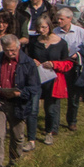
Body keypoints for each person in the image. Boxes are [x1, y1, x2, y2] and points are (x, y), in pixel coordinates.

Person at [0, 34, 39, 167]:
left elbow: (35, 88)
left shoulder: (28, 63)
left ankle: (14, 161)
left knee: (17, 136)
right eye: (7, 50)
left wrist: (19, 93)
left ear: (19, 47)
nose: (10, 53)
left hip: (18, 104)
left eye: (13, 50)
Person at [26, 13, 70, 144]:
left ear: (50, 26)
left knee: (51, 109)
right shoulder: (34, 42)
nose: (41, 30)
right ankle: (31, 138)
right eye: (39, 27)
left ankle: (49, 132)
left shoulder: (61, 43)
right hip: (36, 78)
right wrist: (32, 61)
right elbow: (27, 57)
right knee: (33, 109)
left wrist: (54, 64)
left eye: (44, 27)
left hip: (53, 80)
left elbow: (67, 63)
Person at [54, 7, 84, 131]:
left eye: (62, 19)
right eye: (58, 19)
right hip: (59, 67)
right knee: (56, 95)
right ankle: (54, 123)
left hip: (74, 67)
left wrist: (77, 54)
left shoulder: (82, 32)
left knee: (73, 95)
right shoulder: (54, 32)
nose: (59, 21)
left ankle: (72, 120)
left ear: (70, 19)